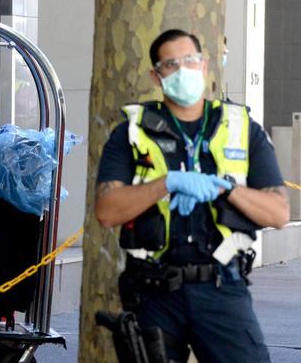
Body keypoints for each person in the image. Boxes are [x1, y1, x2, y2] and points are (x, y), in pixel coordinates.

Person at [95, 29, 289, 363]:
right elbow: (107, 211)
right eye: (171, 63)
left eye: (190, 60)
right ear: (156, 75)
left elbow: (278, 213)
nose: (183, 69)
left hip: (222, 287)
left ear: (204, 65)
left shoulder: (242, 128)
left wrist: (225, 188)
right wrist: (167, 182)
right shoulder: (132, 130)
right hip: (152, 291)